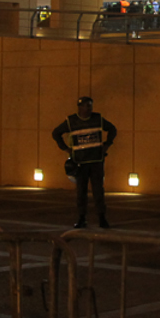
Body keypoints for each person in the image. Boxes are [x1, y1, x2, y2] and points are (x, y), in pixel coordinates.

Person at [52, 96, 117, 228]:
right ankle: (82, 218)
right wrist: (66, 149)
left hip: (96, 160)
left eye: (90, 105)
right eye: (86, 105)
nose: (89, 108)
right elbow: (56, 133)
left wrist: (107, 144)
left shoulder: (97, 119)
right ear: (80, 107)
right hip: (80, 162)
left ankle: (102, 218)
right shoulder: (72, 121)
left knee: (98, 191)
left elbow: (112, 129)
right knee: (81, 192)